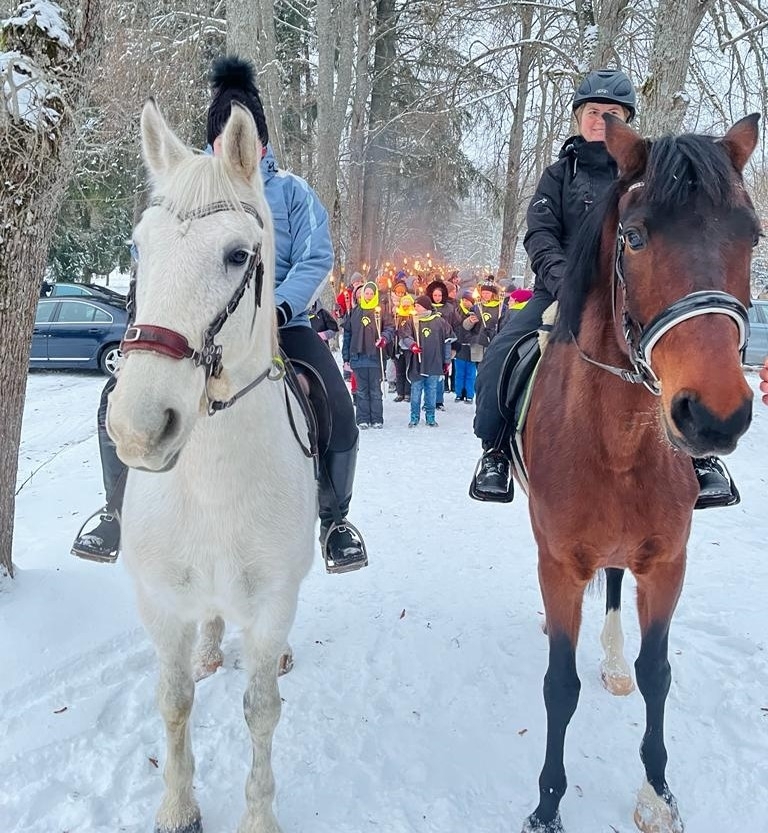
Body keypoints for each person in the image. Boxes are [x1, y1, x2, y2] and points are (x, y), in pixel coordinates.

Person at [71, 55, 369, 573]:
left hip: (280, 324)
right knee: (113, 400)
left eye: (240, 138)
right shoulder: (194, 186)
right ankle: (115, 508)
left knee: (337, 406)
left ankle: (334, 520)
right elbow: (159, 252)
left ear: (260, 142)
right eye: (219, 139)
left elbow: (316, 256)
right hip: (204, 326)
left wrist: (279, 304)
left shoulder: (293, 194)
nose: (228, 149)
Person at [470, 68, 737, 509]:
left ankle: (701, 459)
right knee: (503, 352)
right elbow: (540, 235)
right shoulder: (557, 176)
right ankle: (495, 450)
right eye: (593, 111)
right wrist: (566, 283)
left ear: (626, 120)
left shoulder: (653, 176)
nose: (601, 120)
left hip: (633, 296)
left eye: (611, 113)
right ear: (578, 117)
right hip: (560, 293)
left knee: (685, 354)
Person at [342, 280, 393, 428]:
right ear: (362, 294)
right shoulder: (355, 312)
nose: (369, 296)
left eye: (372, 293)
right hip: (358, 356)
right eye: (367, 293)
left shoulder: (381, 311)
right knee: (362, 390)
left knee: (375, 390)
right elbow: (347, 336)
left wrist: (384, 338)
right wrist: (346, 357)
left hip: (375, 357)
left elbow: (389, 328)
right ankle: (362, 418)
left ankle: (377, 418)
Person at [398, 296, 452, 427]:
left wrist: (446, 360)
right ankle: (414, 417)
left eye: (418, 305)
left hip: (434, 361)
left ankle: (430, 417)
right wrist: (412, 345)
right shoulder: (412, 321)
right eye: (415, 305)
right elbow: (405, 336)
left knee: (431, 391)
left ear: (426, 306)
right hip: (417, 363)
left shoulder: (439, 321)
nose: (415, 307)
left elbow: (447, 342)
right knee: (416, 390)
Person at [452, 290, 480, 403]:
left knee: (471, 373)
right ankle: (459, 393)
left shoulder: (477, 312)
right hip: (460, 345)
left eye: (467, 300)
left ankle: (469, 394)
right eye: (463, 300)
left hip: (472, 346)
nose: (465, 302)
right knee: (459, 372)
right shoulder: (456, 311)